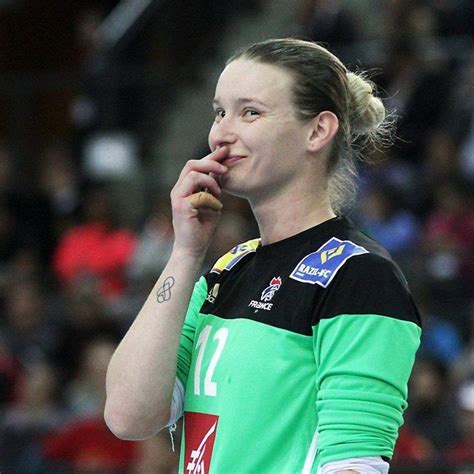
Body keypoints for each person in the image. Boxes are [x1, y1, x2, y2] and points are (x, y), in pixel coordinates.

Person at [104, 38, 421, 473]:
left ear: (317, 131)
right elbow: (128, 416)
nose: (220, 133)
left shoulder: (359, 275)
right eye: (219, 112)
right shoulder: (226, 271)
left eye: (249, 112)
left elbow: (355, 464)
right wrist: (185, 251)